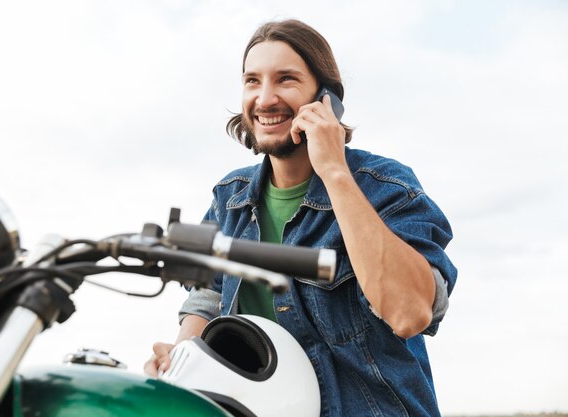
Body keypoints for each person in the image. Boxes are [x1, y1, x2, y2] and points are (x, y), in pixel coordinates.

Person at [145, 19, 457, 417]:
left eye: (286, 79)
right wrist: (183, 357)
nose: (265, 98)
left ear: (326, 98)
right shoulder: (231, 196)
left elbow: (410, 311)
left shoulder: (386, 187)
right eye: (252, 81)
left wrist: (335, 172)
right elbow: (207, 292)